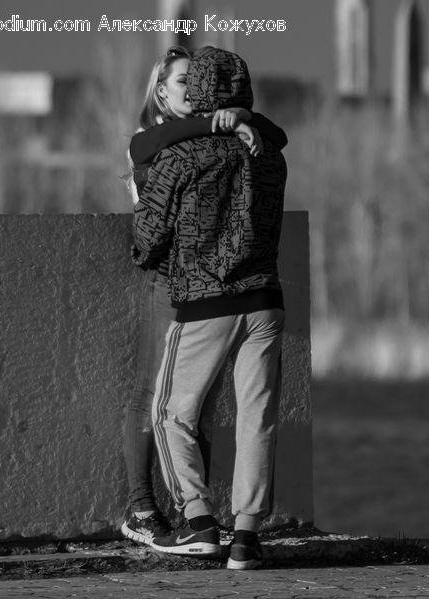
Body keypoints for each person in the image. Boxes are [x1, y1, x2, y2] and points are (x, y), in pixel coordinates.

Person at [121, 46, 287, 549]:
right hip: (265, 299)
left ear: (198, 93)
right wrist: (241, 121)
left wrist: (144, 251)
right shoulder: (269, 152)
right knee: (257, 418)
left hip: (204, 299)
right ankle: (247, 537)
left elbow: (149, 239)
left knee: (170, 410)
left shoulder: (178, 157)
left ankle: (198, 521)